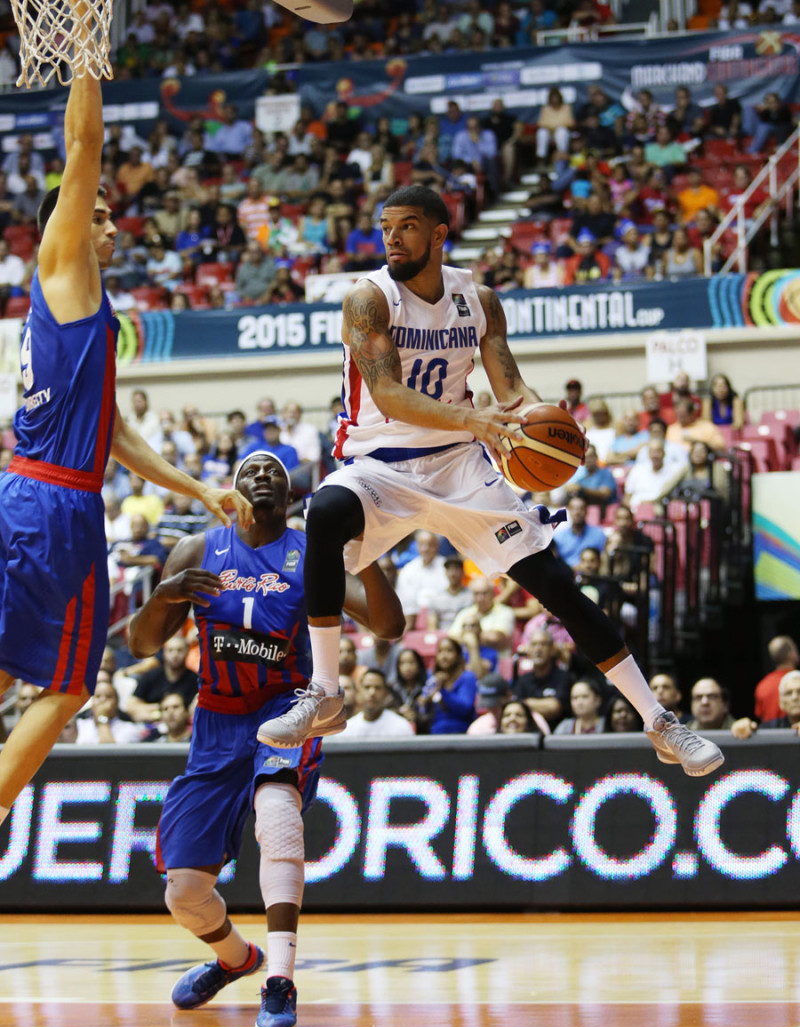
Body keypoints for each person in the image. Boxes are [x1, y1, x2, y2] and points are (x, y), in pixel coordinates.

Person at [257, 185, 723, 780]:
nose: (392, 238)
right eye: (385, 227)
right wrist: (476, 419)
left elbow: (511, 391)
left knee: (557, 584)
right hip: (381, 462)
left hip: (459, 466)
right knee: (322, 513)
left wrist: (546, 426)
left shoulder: (477, 300)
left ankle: (659, 722)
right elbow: (389, 396)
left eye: (406, 226)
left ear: (439, 233)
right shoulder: (368, 298)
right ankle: (325, 692)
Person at [0, 0, 251, 831]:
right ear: (68, 223)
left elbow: (113, 436)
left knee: (8, 671)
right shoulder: (63, 265)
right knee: (67, 686)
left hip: (37, 492)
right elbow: (84, 151)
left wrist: (194, 489)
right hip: (52, 506)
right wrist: (84, 39)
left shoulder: (92, 315)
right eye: (97, 214)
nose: (110, 224)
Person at [127, 450, 404, 1027]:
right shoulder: (198, 550)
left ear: (291, 497)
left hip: (285, 710)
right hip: (216, 725)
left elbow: (388, 626)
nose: (263, 477)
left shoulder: (310, 554)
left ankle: (279, 982)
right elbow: (142, 644)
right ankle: (236, 959)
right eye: (252, 471)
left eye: (275, 474)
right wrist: (166, 593)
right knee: (184, 893)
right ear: (232, 490)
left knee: (278, 814)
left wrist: (366, 558)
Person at [417, 635, 480, 735]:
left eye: (449, 651)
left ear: (458, 655)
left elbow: (465, 709)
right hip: (435, 733)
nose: (444, 655)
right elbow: (423, 708)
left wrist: (443, 690)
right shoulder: (432, 678)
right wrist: (425, 702)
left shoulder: (468, 677)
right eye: (440, 651)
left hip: (462, 733)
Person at [338, 667, 414, 739]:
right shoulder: (347, 730)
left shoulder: (401, 728)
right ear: (359, 692)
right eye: (367, 687)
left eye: (377, 688)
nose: (372, 692)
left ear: (386, 693)